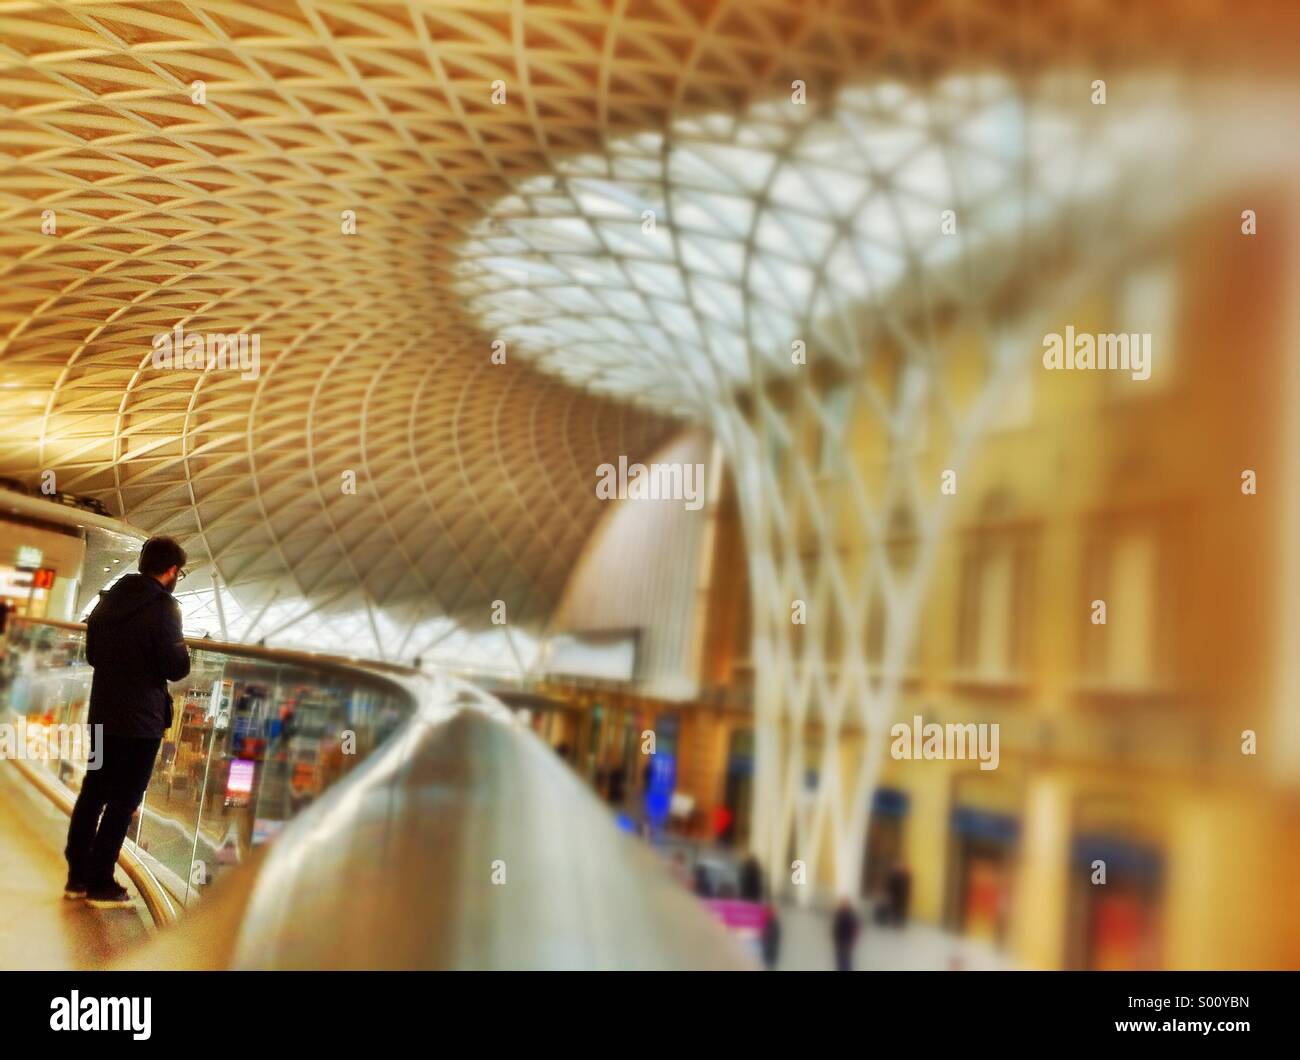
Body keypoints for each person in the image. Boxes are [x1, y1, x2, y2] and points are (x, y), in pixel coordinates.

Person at [64, 536, 190, 908]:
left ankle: (76, 875)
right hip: (141, 725)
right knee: (124, 800)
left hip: (103, 715)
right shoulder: (166, 609)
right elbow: (175, 667)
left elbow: (93, 656)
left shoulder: (109, 600)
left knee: (94, 790)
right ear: (170, 571)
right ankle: (101, 878)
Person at [831, 898, 861, 971]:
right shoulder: (839, 914)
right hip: (839, 942)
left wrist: (851, 942)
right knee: (840, 960)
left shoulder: (851, 916)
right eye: (842, 904)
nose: (842, 906)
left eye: (844, 904)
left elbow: (855, 930)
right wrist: (834, 938)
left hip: (846, 943)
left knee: (846, 961)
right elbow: (835, 928)